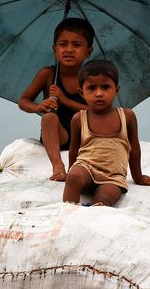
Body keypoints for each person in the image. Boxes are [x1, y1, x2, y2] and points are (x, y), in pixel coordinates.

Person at [63, 59, 150, 206]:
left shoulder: (127, 116)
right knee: (74, 176)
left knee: (104, 198)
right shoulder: (79, 118)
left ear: (116, 89)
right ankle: (67, 212)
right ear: (82, 92)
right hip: (86, 169)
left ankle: (94, 214)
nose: (99, 93)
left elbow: (134, 149)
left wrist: (138, 177)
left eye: (105, 87)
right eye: (92, 88)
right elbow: (73, 150)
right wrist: (70, 174)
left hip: (113, 177)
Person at [18, 17, 95, 181]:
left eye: (76, 45)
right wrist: (39, 106)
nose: (69, 49)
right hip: (59, 135)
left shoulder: (92, 79)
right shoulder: (48, 74)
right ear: (54, 49)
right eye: (63, 44)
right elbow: (23, 101)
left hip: (84, 136)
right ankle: (58, 166)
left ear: (89, 51)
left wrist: (65, 100)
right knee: (49, 118)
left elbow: (97, 111)